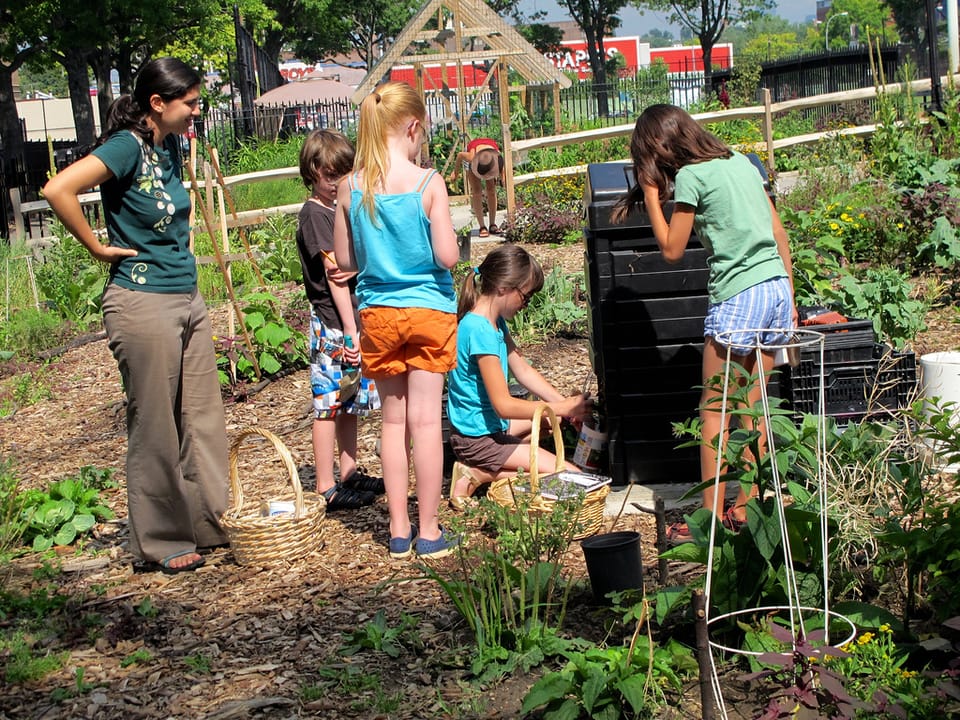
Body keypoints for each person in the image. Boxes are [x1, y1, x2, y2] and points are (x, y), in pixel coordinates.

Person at [43, 58, 228, 574]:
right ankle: (163, 540)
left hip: (186, 297)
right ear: (157, 103)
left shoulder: (168, 145)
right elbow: (58, 189)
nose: (196, 110)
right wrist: (98, 248)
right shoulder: (126, 146)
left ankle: (209, 522)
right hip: (142, 303)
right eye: (189, 103)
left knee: (202, 420)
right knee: (156, 426)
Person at [613, 104, 796, 544]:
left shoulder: (693, 176)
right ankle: (747, 506)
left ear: (659, 147)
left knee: (714, 411)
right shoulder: (741, 163)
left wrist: (653, 197)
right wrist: (789, 300)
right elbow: (779, 233)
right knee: (754, 407)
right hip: (775, 289)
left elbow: (672, 250)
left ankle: (710, 520)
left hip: (739, 296)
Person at [333, 81, 460, 559]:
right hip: (429, 311)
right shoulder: (429, 183)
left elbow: (346, 258)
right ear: (413, 127)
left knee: (392, 423)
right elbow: (447, 255)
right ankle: (429, 531)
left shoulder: (350, 187)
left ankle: (398, 530)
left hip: (378, 316)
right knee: (427, 423)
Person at [445, 244, 592, 510]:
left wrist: (567, 411)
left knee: (554, 421)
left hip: (488, 428)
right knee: (571, 478)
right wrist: (562, 406)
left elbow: (522, 369)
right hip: (478, 440)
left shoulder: (492, 321)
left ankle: (488, 466)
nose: (526, 304)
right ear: (504, 287)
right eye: (525, 296)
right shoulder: (481, 331)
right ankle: (476, 474)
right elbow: (504, 405)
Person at [296, 129, 384, 511]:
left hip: (351, 319)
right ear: (313, 172)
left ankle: (348, 471)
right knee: (329, 404)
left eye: (342, 174)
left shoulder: (340, 208)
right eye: (330, 175)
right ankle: (326, 485)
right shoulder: (316, 214)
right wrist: (350, 331)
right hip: (335, 322)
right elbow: (335, 276)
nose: (336, 183)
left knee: (350, 400)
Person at [447, 138, 504, 237]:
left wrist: (503, 178)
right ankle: (482, 226)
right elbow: (460, 155)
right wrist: (455, 173)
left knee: (491, 190)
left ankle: (492, 224)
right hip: (473, 157)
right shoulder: (470, 157)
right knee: (477, 191)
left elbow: (502, 168)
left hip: (488, 159)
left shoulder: (496, 157)